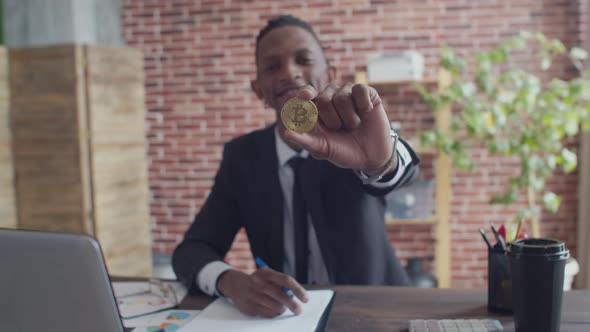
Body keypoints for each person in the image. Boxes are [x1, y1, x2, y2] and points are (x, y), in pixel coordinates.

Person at [172, 14, 420, 318]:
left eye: (303, 59)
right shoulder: (242, 157)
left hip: (375, 311)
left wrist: (381, 162)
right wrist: (230, 281)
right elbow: (191, 251)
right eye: (272, 66)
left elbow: (401, 170)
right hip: (285, 317)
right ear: (258, 89)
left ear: (330, 73)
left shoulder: (358, 131)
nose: (289, 72)